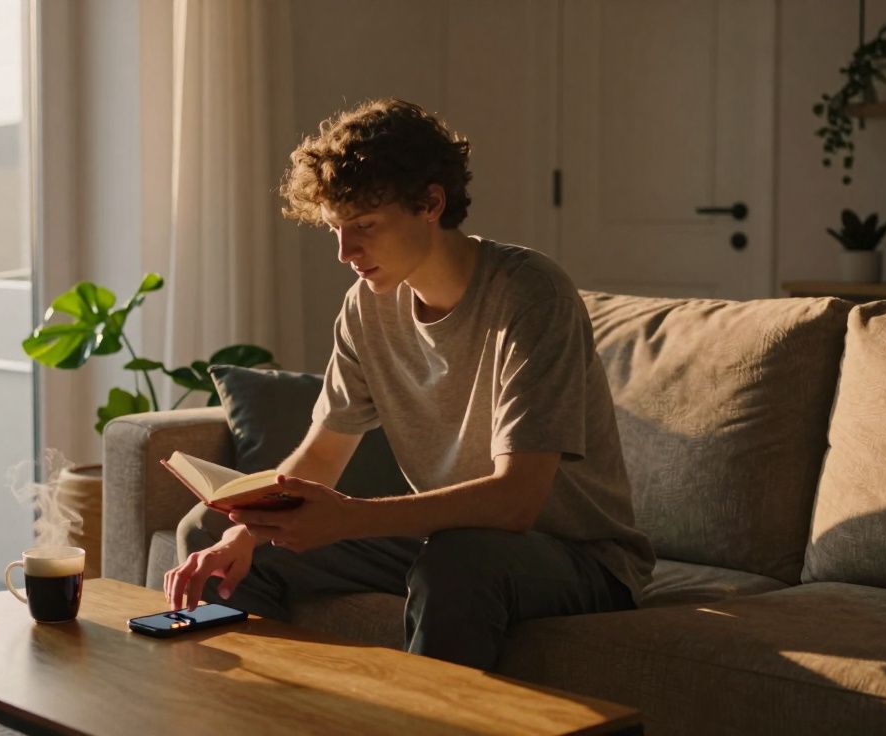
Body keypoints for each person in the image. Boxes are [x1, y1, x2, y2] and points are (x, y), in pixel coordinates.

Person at [165, 98, 654, 671]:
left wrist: (350, 517)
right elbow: (322, 452)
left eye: (365, 227)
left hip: (579, 557)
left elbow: (517, 500)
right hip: (446, 540)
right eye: (336, 231)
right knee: (212, 535)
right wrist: (247, 530)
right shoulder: (366, 308)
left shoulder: (531, 295)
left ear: (430, 203)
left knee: (459, 562)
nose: (346, 253)